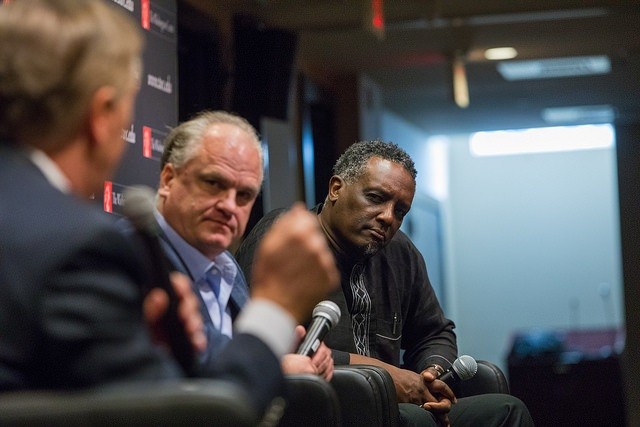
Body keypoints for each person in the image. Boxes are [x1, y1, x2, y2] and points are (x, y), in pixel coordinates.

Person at [0, 0, 339, 420]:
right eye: (129, 103)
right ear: (101, 115)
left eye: (245, 194)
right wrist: (275, 310)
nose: (228, 205)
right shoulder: (79, 247)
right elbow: (200, 417)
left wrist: (143, 342)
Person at [235, 140, 535, 426]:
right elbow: (271, 341)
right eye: (376, 198)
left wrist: (432, 374)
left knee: (506, 411)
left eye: (400, 211)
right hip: (329, 407)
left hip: (397, 410)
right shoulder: (288, 238)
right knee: (415, 419)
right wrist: (390, 377)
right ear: (336, 188)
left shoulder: (399, 251)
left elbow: (434, 332)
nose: (388, 217)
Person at [148, 110, 334, 379]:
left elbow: (235, 346)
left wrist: (289, 346)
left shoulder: (227, 266)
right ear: (168, 179)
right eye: (213, 183)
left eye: (244, 195)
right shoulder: (134, 254)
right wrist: (273, 363)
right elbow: (182, 360)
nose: (229, 206)